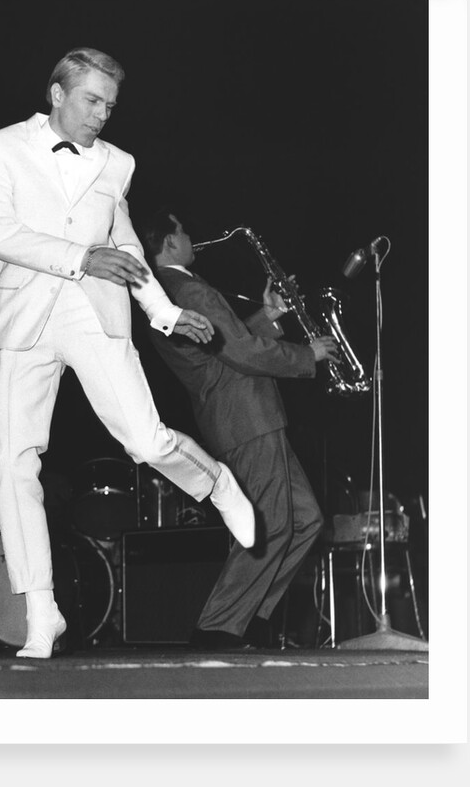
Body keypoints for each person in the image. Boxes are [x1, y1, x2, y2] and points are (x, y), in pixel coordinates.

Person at [0, 47, 256, 658]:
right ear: (56, 94)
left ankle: (216, 482)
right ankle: (40, 609)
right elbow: (2, 232)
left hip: (92, 309)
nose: (102, 115)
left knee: (145, 440)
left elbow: (123, 241)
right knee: (14, 463)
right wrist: (80, 257)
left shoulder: (117, 164)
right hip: (27, 314)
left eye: (109, 105)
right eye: (92, 101)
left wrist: (166, 310)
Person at [138, 208, 338, 649]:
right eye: (183, 230)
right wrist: (308, 356)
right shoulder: (188, 288)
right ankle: (217, 627)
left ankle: (251, 618)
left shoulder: (166, 291)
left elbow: (222, 347)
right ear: (170, 243)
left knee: (305, 520)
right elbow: (243, 355)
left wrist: (267, 315)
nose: (191, 237)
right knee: (271, 524)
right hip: (246, 416)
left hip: (245, 416)